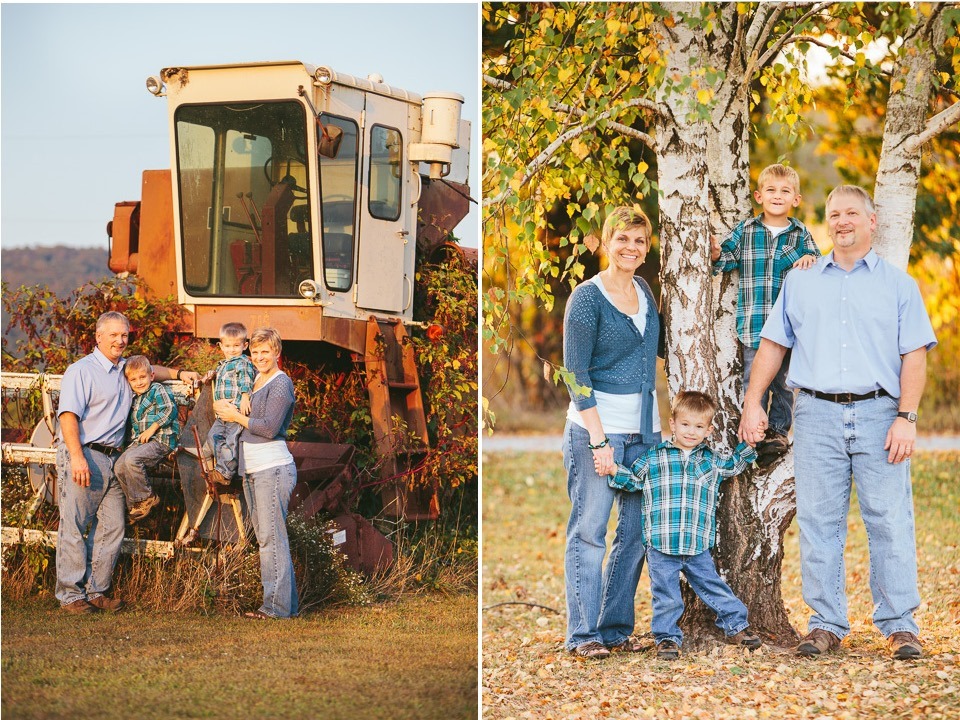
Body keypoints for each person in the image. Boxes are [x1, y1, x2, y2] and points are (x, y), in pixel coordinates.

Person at [739, 185, 937, 660]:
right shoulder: (802, 281)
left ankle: (900, 626)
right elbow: (773, 346)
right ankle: (825, 624)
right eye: (834, 214)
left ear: (872, 222)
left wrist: (907, 417)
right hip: (816, 414)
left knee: (889, 519)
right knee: (818, 522)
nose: (842, 221)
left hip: (880, 413)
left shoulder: (897, 284)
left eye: (851, 213)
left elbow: (914, 354)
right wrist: (752, 401)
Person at [561, 206, 662, 659]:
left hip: (646, 433)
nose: (631, 248)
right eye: (623, 239)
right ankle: (583, 635)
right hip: (595, 432)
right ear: (606, 242)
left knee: (637, 532)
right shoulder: (587, 297)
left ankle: (615, 627)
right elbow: (575, 372)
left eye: (639, 241)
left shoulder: (645, 291)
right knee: (589, 531)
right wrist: (600, 441)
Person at [55, 311, 198, 614]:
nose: (120, 341)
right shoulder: (81, 371)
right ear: (98, 337)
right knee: (75, 524)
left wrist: (179, 374)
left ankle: (96, 592)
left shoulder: (124, 369)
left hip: (115, 458)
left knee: (112, 528)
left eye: (125, 335)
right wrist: (77, 457)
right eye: (114, 335)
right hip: (86, 455)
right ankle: (70, 596)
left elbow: (150, 371)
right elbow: (67, 415)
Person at [609, 391, 761, 660]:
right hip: (661, 543)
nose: (691, 432)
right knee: (665, 594)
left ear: (709, 430)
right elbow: (633, 481)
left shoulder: (711, 460)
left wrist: (750, 444)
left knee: (713, 586)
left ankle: (737, 625)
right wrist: (612, 469)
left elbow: (734, 465)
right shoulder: (654, 458)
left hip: (696, 543)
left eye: (699, 426)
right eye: (685, 424)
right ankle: (667, 638)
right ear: (673, 423)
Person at [711, 164, 820, 466]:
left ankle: (777, 433)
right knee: (753, 382)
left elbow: (820, 268)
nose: (777, 196)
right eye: (771, 190)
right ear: (759, 196)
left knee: (785, 384)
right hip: (754, 325)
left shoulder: (800, 235)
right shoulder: (746, 231)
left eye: (785, 191)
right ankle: (753, 433)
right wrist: (714, 252)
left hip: (789, 330)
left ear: (796, 199)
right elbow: (726, 258)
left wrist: (810, 258)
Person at [215, 327, 298, 619]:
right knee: (266, 537)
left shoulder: (280, 383)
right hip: (252, 470)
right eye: (256, 352)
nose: (260, 357)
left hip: (272, 469)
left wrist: (234, 416)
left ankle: (275, 608)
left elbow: (268, 427)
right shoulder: (257, 380)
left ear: (277, 353)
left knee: (270, 539)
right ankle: (285, 607)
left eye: (266, 352)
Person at [113, 355, 181, 523]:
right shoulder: (134, 399)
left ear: (151, 376)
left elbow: (169, 409)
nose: (139, 382)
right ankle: (135, 506)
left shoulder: (157, 389)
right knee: (119, 466)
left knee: (132, 460)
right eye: (133, 379)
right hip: (141, 443)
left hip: (161, 439)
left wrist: (153, 428)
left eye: (142, 377)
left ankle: (146, 497)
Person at [200, 322, 255, 485]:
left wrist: (245, 396)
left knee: (231, 440)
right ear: (221, 346)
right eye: (228, 346)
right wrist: (210, 375)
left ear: (245, 345)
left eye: (236, 345)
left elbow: (246, 378)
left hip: (236, 410)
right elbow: (219, 376)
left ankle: (226, 472)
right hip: (222, 414)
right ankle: (222, 468)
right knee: (213, 436)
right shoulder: (223, 365)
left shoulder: (242, 362)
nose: (232, 350)